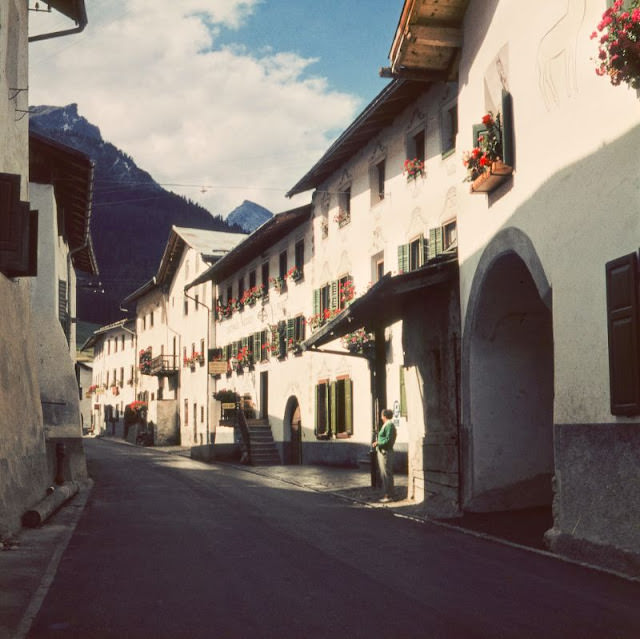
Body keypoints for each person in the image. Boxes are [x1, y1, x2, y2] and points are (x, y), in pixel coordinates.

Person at [372, 408, 396, 502]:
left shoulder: (389, 425)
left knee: (386, 474)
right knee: (385, 473)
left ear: (384, 416)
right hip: (383, 451)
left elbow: (389, 440)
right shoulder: (387, 425)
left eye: (382, 415)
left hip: (385, 452)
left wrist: (378, 443)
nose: (381, 417)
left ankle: (388, 495)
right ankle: (388, 493)